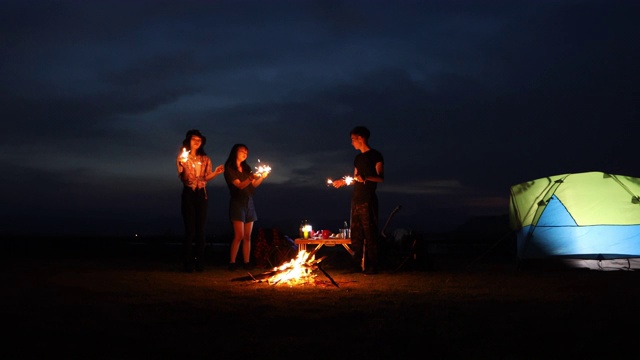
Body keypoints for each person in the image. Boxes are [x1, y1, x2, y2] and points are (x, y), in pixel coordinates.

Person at [332, 126, 384, 274]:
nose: (352, 143)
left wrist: (366, 178)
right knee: (356, 235)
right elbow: (355, 178)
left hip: (368, 199)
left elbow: (380, 178)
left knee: (370, 233)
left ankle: (373, 265)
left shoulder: (376, 155)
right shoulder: (358, 158)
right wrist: (343, 182)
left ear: (361, 138)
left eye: (353, 139)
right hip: (356, 199)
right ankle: (356, 265)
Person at [176, 129, 225, 273]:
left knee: (201, 230)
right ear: (188, 141)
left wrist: (215, 173)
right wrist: (184, 166)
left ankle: (200, 263)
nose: (197, 142)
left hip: (201, 194)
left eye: (199, 140)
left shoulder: (205, 159)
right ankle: (188, 263)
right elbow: (184, 178)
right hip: (189, 193)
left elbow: (206, 177)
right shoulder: (182, 157)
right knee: (190, 230)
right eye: (194, 139)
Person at [224, 144, 269, 270]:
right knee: (239, 235)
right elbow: (239, 186)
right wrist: (250, 178)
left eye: (246, 152)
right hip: (237, 202)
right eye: (242, 151)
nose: (245, 153)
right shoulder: (230, 169)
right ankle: (232, 263)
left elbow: (253, 185)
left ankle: (246, 262)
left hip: (249, 202)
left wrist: (261, 177)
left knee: (248, 236)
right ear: (235, 152)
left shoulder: (246, 167)